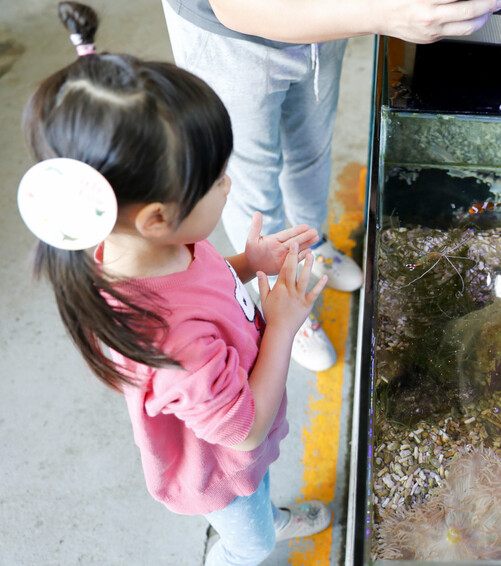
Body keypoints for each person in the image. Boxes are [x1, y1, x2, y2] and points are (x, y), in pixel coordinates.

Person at [19, 3, 331, 565]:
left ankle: (267, 516)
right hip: (218, 472)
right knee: (249, 539)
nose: (229, 183)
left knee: (257, 500)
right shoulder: (171, 342)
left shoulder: (145, 246)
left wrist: (244, 263)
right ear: (157, 216)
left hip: (234, 446)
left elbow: (201, 287)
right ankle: (244, 544)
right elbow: (245, 432)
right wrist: (283, 325)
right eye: (214, 180)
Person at [160, 0, 501, 371]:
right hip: (231, 39)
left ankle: (312, 242)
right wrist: (386, 15)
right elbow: (234, 8)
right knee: (250, 173)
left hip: (323, 28)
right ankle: (277, 293)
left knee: (312, 148)